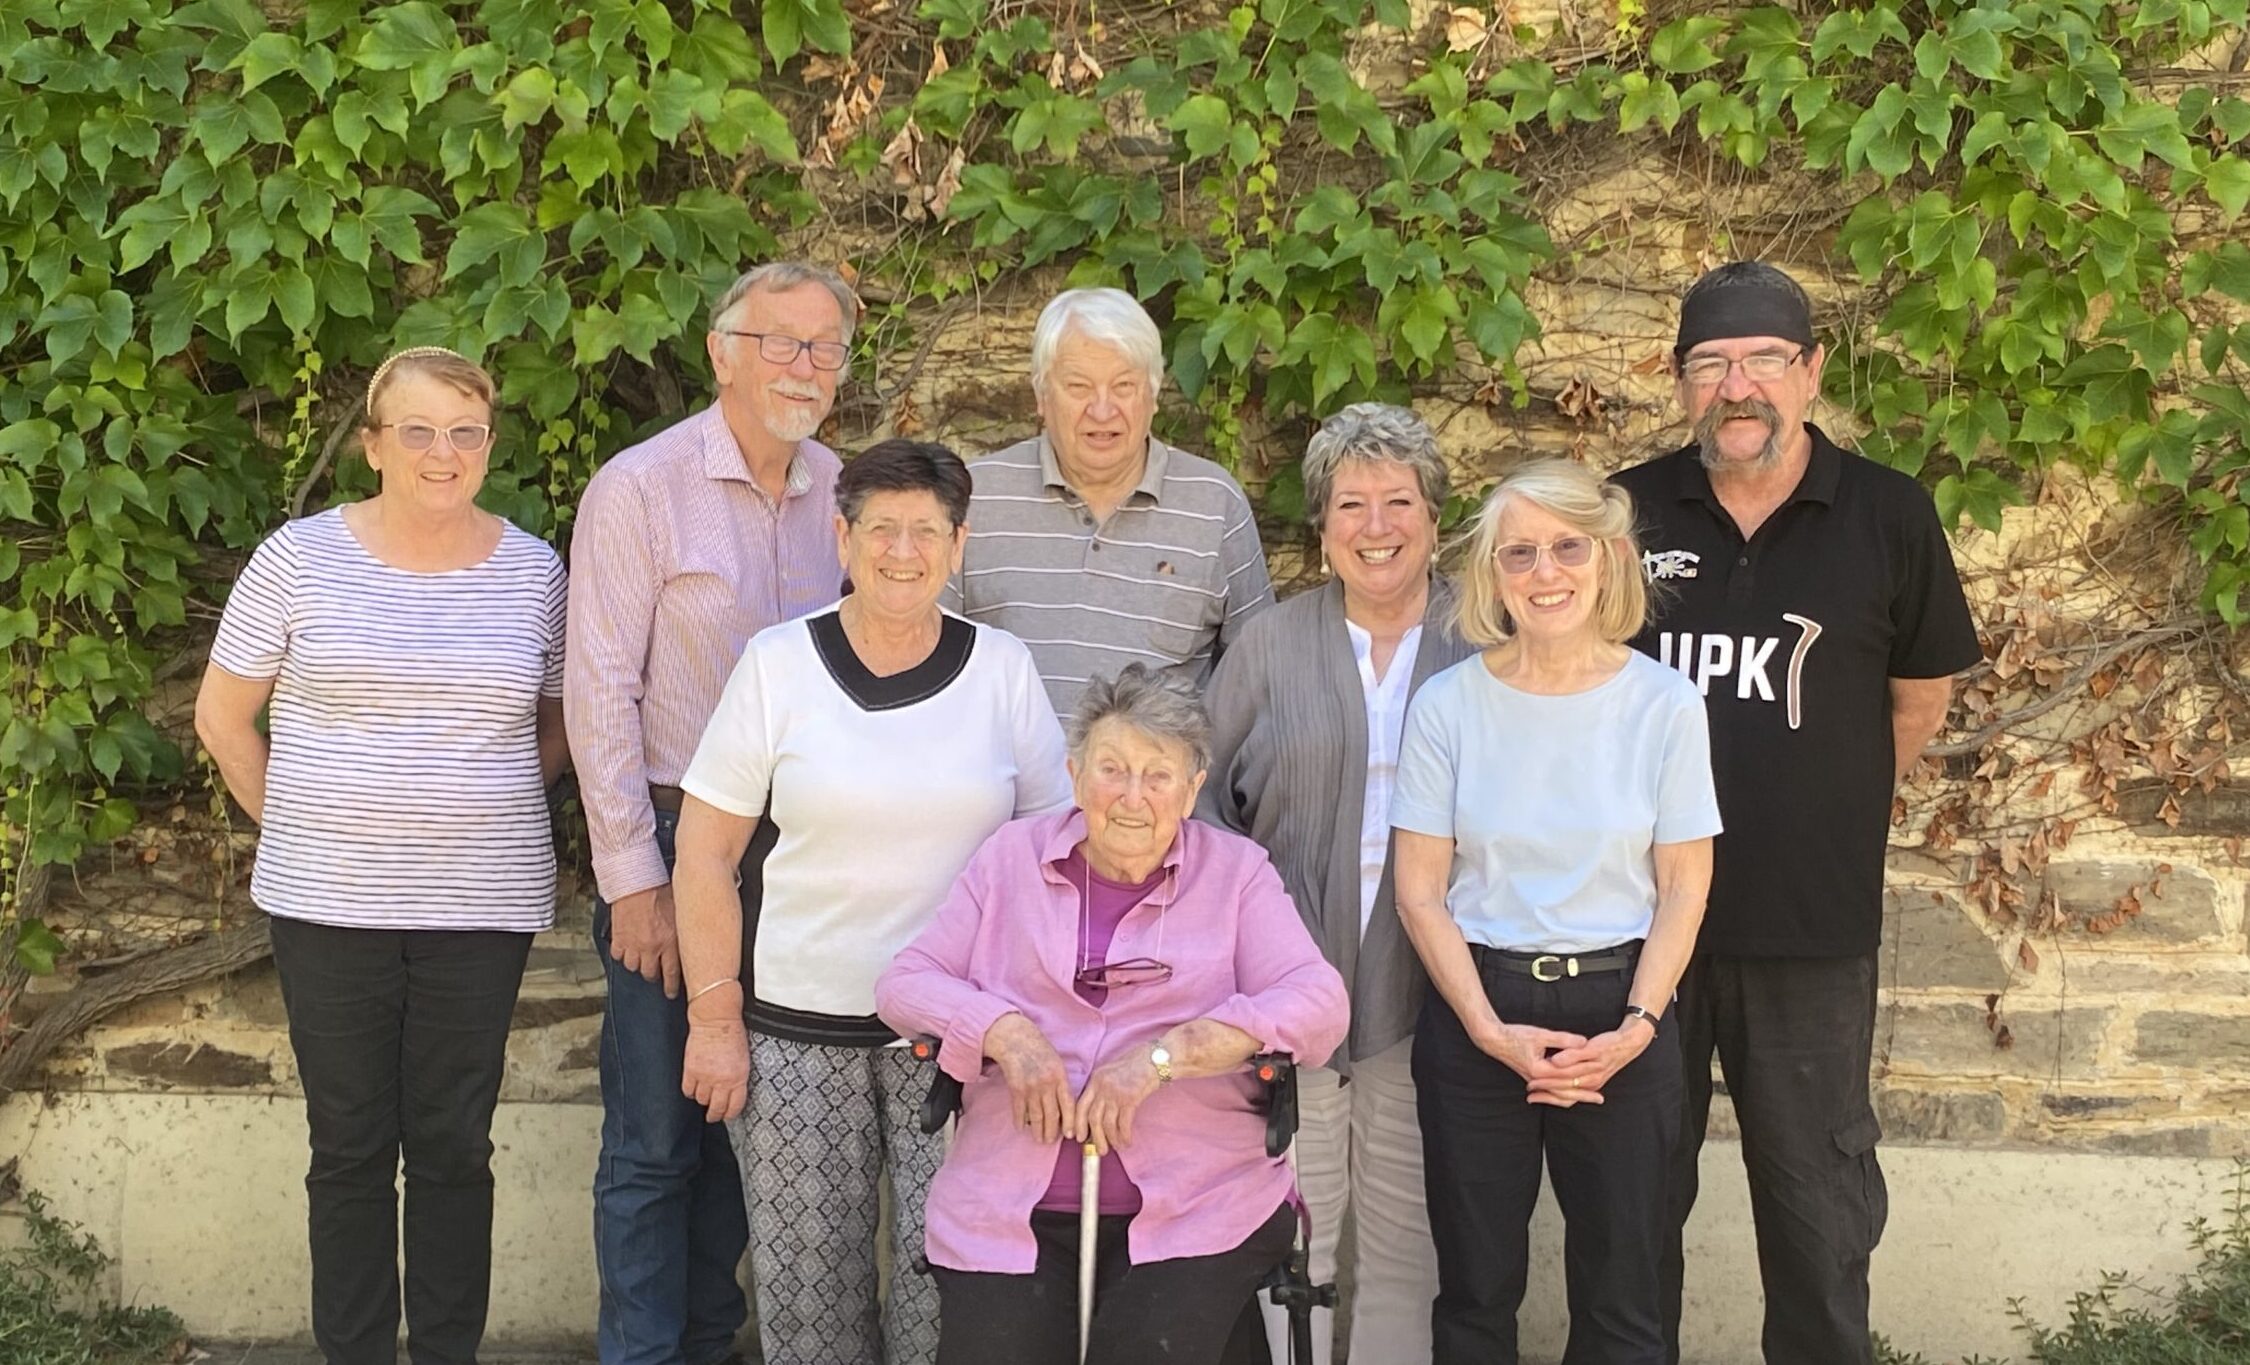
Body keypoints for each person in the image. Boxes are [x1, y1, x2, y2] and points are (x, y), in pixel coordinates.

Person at [1609, 261, 1981, 1365]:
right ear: (1678, 382)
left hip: (1810, 931)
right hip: (1637, 926)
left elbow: (1916, 697)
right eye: (1712, 363)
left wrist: (1823, 799)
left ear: (1811, 373)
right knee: (1631, 1210)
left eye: (1766, 360)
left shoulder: (1888, 513)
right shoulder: (1625, 511)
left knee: (1818, 1216)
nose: (1740, 387)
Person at [194, 347, 569, 1365]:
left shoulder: (537, 573)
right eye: (417, 429)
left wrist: (465, 804)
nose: (441, 452)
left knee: (454, 1148)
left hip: (478, 911)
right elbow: (225, 719)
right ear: (372, 445)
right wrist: (309, 827)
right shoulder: (298, 559)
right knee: (350, 1150)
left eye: (464, 432)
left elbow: (561, 725)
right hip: (327, 909)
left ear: (489, 445)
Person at [670, 439, 1073, 1365]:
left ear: (958, 544)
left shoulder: (1002, 669)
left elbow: (1053, 858)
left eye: (925, 530)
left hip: (962, 1048)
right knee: (811, 1311)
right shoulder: (778, 665)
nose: (903, 550)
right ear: (843, 540)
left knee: (954, 1297)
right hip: (795, 1040)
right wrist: (714, 1016)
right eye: (880, 528)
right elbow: (705, 852)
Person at [875, 662, 1350, 1365]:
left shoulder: (1237, 873)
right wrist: (1005, 1032)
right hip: (1012, 1205)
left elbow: (1318, 1003)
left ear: (1193, 788)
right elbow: (905, 982)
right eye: (1112, 768)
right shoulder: (1010, 860)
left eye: (1158, 775)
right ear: (1074, 774)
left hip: (1201, 1204)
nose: (1133, 796)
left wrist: (1171, 1054)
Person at [565, 261, 857, 1365]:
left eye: (826, 348)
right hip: (676, 832)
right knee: (653, 1140)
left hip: (800, 858)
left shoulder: (847, 491)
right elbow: (599, 696)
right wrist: (633, 881)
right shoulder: (641, 488)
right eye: (783, 343)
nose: (807, 366)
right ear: (722, 351)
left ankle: (704, 1344)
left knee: (754, 1133)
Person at [1390, 458, 1722, 1365]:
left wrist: (1638, 1025)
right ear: (1493, 573)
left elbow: (1686, 885)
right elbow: (1419, 889)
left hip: (1623, 1014)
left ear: (1609, 556)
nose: (1546, 572)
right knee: (1475, 1291)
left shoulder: (1664, 704)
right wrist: (1488, 1029)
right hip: (1478, 1014)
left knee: (1625, 1297)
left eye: (1567, 547)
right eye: (1520, 552)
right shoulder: (1449, 705)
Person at [1200, 403, 1469, 1365]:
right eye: (1350, 503)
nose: (1377, 524)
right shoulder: (1270, 646)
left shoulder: (1483, 641)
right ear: (1321, 528)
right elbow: (1204, 808)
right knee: (1285, 1245)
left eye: (1399, 500)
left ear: (1436, 518)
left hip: (1431, 1006)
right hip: (1285, 1008)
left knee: (1408, 1249)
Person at [946, 287, 1274, 715]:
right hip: (1009, 784)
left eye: (1123, 386)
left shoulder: (1214, 504)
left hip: (1155, 782)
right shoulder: (974, 496)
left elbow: (1259, 679)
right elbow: (928, 660)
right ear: (1042, 397)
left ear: (1153, 396)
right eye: (1079, 387)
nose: (1102, 411)